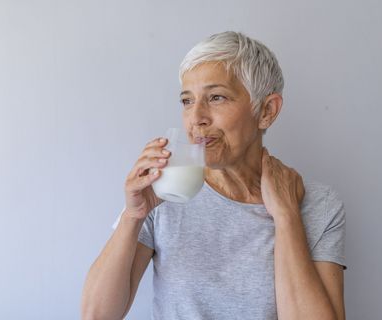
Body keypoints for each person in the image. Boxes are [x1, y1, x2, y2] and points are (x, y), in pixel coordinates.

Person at [81, 31, 346, 320]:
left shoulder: (318, 204)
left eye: (216, 97)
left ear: (267, 111)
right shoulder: (163, 192)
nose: (196, 118)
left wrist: (286, 217)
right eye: (187, 101)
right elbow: (96, 315)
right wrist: (133, 216)